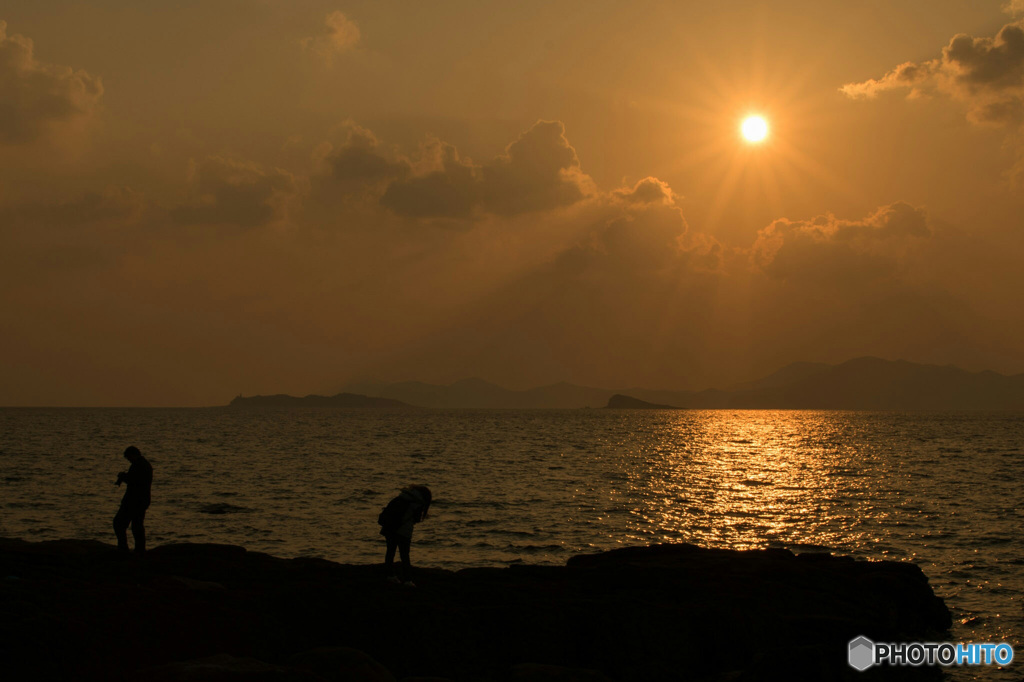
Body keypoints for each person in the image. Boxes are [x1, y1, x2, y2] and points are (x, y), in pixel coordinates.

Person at [379, 484, 432, 587]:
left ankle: (390, 575)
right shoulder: (418, 502)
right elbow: (416, 519)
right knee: (405, 555)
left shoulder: (401, 496)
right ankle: (407, 580)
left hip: (390, 529)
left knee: (390, 552)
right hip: (404, 531)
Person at [113, 446, 153, 554]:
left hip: (134, 501)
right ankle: (139, 550)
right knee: (137, 525)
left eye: (128, 457)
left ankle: (123, 548)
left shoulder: (139, 465)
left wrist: (123, 476)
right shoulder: (144, 465)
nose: (128, 460)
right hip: (141, 500)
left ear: (133, 455)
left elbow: (134, 481)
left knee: (119, 523)